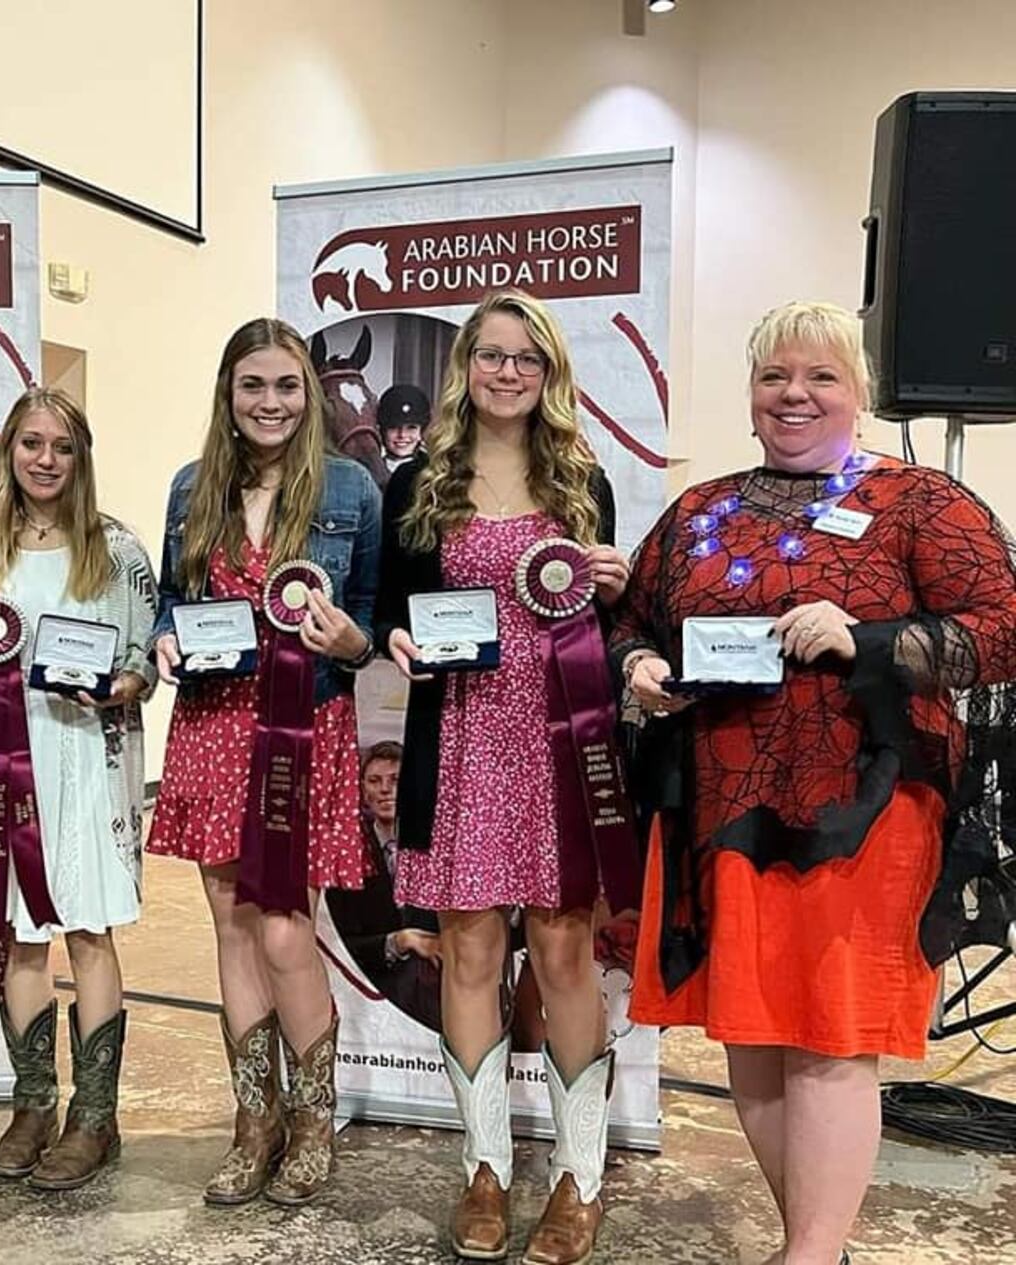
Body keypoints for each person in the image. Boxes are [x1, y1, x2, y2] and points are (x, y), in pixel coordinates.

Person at [613, 301, 1016, 1265]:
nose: (795, 394)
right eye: (774, 376)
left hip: (862, 812)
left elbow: (1000, 630)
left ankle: (807, 1254)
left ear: (859, 395)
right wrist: (637, 670)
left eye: (821, 376)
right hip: (719, 808)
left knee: (831, 1036)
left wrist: (868, 638)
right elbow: (630, 617)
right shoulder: (699, 509)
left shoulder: (920, 502)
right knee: (749, 1032)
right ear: (750, 396)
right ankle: (815, 1244)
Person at [375, 288, 635, 1264]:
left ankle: (579, 1178)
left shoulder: (580, 478)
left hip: (558, 749)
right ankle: (484, 1168)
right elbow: (392, 606)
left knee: (565, 955)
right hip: (462, 743)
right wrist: (399, 636)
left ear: (549, 371)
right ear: (466, 367)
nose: (507, 371)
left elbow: (604, 624)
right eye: (490, 354)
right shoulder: (417, 482)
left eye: (526, 357)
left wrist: (612, 584)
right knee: (471, 955)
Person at [147, 317, 381, 1207]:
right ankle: (257, 1121)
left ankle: (315, 1119)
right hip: (210, 720)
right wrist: (168, 637)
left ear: (308, 395)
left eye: (287, 386)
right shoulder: (190, 486)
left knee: (285, 922)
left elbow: (366, 619)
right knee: (228, 919)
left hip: (303, 723)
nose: (271, 402)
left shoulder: (353, 487)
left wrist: (354, 639)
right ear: (229, 392)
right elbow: (176, 595)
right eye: (254, 385)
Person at [0, 386, 157, 1191]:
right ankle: (33, 1102)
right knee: (21, 933)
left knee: (90, 931)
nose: (45, 459)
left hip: (90, 760)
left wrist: (124, 684)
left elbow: (142, 658)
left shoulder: (118, 549)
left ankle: (95, 1119)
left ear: (82, 458)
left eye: (62, 446)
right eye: (31, 443)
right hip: (6, 763)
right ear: (9, 451)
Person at [324, 741, 443, 1031]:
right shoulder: (347, 855)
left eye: (396, 781)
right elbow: (344, 943)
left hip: (442, 978)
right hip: (376, 989)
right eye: (375, 781)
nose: (385, 789)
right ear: (363, 790)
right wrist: (399, 941)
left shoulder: (440, 849)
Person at [378, 384, 431, 474]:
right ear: (382, 431)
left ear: (421, 432)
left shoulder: (433, 472)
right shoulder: (370, 472)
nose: (402, 435)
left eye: (411, 428)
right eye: (393, 427)